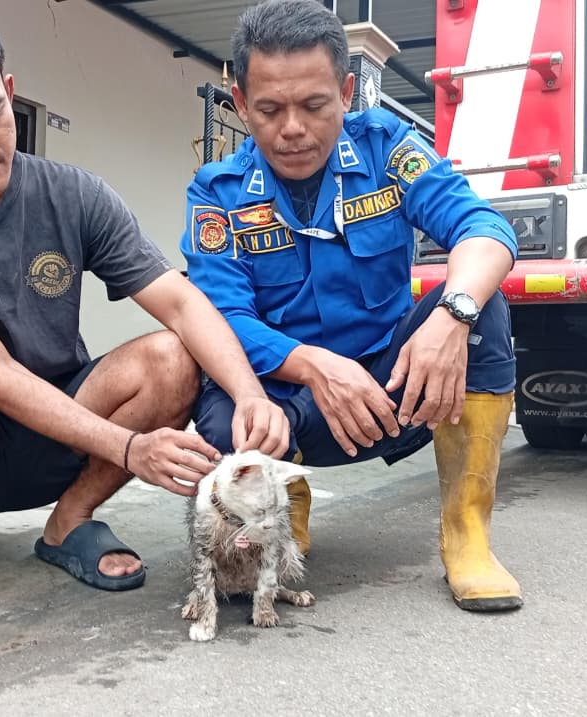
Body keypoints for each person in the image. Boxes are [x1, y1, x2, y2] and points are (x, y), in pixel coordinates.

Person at [0, 0, 289, 610]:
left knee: (172, 356)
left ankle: (70, 522)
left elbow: (182, 303)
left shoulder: (72, 194)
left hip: (70, 429)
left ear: (9, 90)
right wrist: (131, 448)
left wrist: (250, 394)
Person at [181, 0, 522, 611]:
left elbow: (483, 228)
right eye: (269, 110)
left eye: (313, 105)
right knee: (221, 418)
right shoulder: (218, 191)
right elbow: (219, 315)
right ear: (239, 104)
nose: (292, 129)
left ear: (345, 90)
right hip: (288, 403)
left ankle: (466, 533)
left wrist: (452, 315)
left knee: (479, 308)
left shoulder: (387, 148)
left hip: (386, 394)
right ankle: (287, 501)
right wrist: (312, 365)